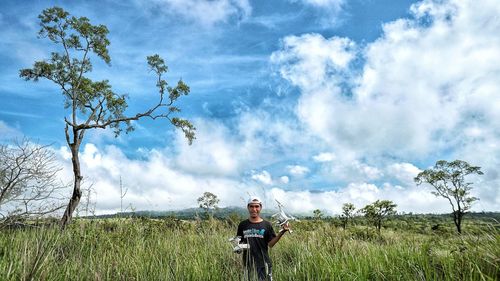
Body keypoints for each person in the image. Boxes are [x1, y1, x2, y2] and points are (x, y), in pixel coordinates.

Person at [236, 196, 290, 281]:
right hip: (248, 264)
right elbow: (240, 243)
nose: (254, 209)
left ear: (260, 207)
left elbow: (270, 244)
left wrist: (282, 232)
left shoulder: (267, 225)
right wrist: (238, 248)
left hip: (263, 263)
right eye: (251, 206)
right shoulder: (242, 225)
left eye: (257, 206)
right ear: (248, 207)